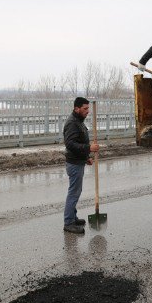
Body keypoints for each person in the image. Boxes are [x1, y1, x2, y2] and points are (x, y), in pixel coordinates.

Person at [63, 97, 100, 234]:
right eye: (85, 109)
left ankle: (73, 217)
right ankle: (68, 222)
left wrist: (86, 158)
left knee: (75, 192)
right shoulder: (72, 123)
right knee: (74, 193)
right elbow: (70, 144)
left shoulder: (78, 121)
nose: (88, 111)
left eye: (88, 108)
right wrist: (89, 148)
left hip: (78, 161)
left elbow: (77, 143)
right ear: (76, 108)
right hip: (73, 164)